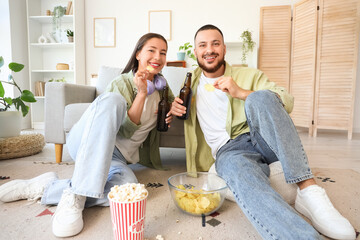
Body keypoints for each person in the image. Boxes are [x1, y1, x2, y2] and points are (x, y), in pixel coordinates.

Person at [171, 24, 356, 240]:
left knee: (261, 96)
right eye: (202, 45)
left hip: (263, 137)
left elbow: (286, 100)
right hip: (230, 151)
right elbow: (170, 114)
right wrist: (174, 111)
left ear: (224, 49)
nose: (209, 49)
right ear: (195, 51)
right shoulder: (189, 84)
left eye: (215, 43)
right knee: (240, 173)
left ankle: (309, 190)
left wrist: (241, 93)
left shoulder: (248, 74)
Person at [0, 33, 174, 237]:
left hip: (117, 158)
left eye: (163, 52)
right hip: (87, 141)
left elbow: (173, 104)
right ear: (137, 54)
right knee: (112, 100)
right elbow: (126, 130)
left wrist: (174, 109)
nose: (158, 57)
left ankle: (48, 187)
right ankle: (74, 198)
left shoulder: (162, 88)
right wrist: (142, 94)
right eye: (151, 50)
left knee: (128, 189)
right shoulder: (122, 83)